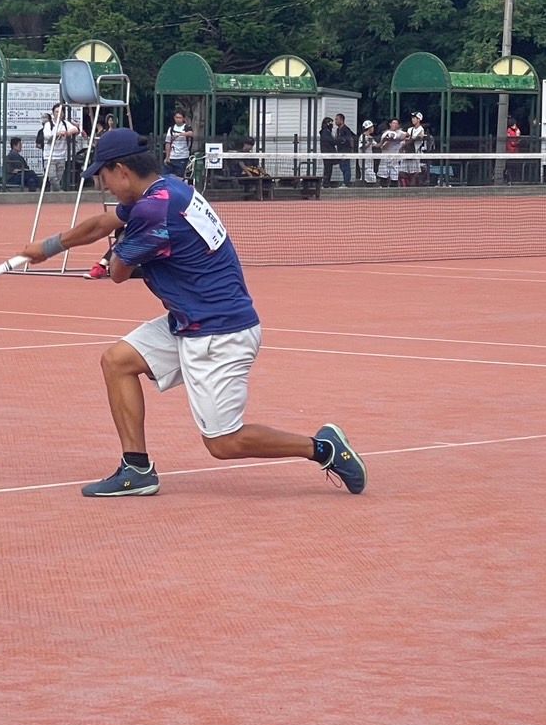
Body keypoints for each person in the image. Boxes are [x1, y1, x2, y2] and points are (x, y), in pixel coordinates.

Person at [20, 128, 366, 498]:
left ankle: (323, 448)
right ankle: (136, 469)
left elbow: (118, 273)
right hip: (192, 320)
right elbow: (104, 224)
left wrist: (121, 250)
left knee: (223, 443)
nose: (103, 186)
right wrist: (50, 247)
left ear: (121, 170)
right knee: (117, 361)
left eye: (102, 176)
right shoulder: (167, 189)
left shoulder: (154, 210)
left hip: (219, 332)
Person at [41, 104, 79, 190]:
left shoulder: (65, 123)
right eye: (56, 112)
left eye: (61, 112)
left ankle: (53, 197)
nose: (59, 114)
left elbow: (75, 129)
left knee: (58, 178)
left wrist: (67, 132)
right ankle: (59, 192)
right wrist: (58, 134)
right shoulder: (48, 124)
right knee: (52, 177)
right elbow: (47, 136)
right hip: (49, 156)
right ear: (53, 113)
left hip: (61, 156)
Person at [163, 110, 193, 178]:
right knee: (166, 176)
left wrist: (180, 134)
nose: (178, 119)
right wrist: (167, 157)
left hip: (182, 156)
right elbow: (168, 142)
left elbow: (191, 133)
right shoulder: (171, 129)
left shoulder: (187, 127)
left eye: (180, 118)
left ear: (183, 119)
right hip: (172, 156)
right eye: (177, 117)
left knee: (179, 177)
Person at [378, 119, 406, 185]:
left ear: (398, 125)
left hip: (395, 159)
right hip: (385, 159)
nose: (395, 125)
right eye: (393, 123)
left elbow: (406, 136)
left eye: (396, 123)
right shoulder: (385, 134)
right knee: (383, 178)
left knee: (394, 179)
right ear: (390, 124)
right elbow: (382, 147)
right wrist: (389, 140)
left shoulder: (401, 133)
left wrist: (399, 138)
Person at [332, 113, 356, 186]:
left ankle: (347, 183)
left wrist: (351, 150)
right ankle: (345, 181)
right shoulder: (338, 130)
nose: (335, 121)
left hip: (346, 151)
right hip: (340, 151)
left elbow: (351, 139)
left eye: (337, 119)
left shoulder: (346, 129)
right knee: (342, 166)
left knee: (346, 166)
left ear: (342, 120)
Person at [358, 120, 377, 185]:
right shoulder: (362, 136)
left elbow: (377, 145)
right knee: (370, 179)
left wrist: (384, 140)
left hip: (370, 162)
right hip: (364, 162)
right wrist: (369, 143)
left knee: (369, 179)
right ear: (369, 128)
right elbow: (362, 147)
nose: (373, 128)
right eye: (372, 127)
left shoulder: (370, 137)